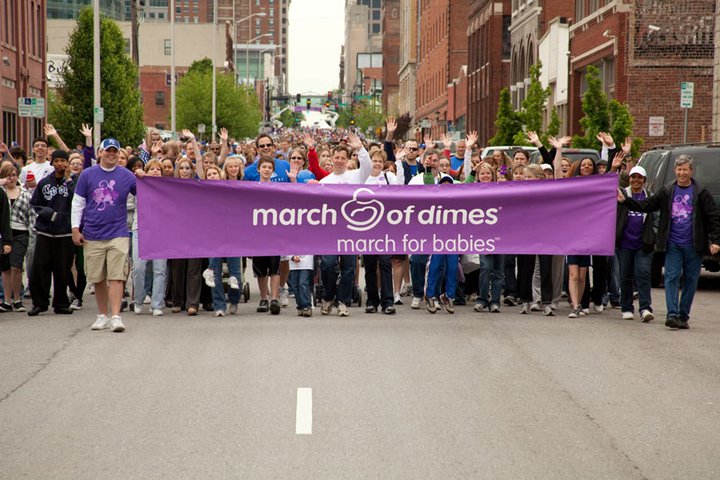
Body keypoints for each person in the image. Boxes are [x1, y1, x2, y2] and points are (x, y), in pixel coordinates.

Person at [618, 154, 720, 329]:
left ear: (691, 171)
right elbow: (647, 205)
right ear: (675, 171)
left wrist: (716, 240)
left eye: (685, 170)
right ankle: (672, 314)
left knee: (690, 280)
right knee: (671, 278)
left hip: (695, 245)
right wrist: (626, 201)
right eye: (679, 170)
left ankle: (683, 315)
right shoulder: (667, 190)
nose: (682, 173)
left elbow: (713, 217)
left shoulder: (701, 192)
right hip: (673, 244)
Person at [72, 138, 137, 333]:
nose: (111, 154)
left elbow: (146, 193)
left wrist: (143, 176)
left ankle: (116, 316)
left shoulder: (127, 176)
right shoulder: (87, 175)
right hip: (93, 232)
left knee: (117, 276)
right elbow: (78, 203)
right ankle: (102, 315)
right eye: (108, 151)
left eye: (115, 151)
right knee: (98, 277)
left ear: (119, 153)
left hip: (118, 232)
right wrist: (75, 228)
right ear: (100, 152)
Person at [28, 150, 75, 316]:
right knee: (40, 268)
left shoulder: (72, 182)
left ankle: (61, 303)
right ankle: (39, 303)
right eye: (57, 161)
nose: (60, 164)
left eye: (63, 161)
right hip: (45, 232)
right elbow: (35, 203)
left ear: (68, 163)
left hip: (65, 233)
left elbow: (76, 201)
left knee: (62, 269)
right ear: (52, 162)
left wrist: (69, 179)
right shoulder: (44, 183)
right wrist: (48, 213)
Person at [615, 164, 655, 322]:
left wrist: (654, 235)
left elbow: (656, 217)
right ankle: (626, 308)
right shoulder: (622, 194)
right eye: (633, 177)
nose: (636, 180)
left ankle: (645, 308)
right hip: (625, 243)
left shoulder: (650, 197)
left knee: (643, 274)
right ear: (629, 179)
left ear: (644, 180)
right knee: (625, 276)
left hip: (643, 243)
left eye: (639, 177)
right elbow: (609, 184)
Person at [131, 160, 167, 317]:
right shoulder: (140, 184)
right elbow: (132, 181)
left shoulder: (168, 187)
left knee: (160, 269)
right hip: (141, 229)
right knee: (138, 268)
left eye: (158, 169)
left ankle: (157, 303)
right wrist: (139, 174)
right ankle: (138, 300)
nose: (155, 171)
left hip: (162, 232)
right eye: (151, 169)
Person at [0, 164, 32, 312]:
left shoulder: (25, 193)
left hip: (21, 232)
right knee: (5, 268)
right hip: (4, 233)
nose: (11, 178)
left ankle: (17, 299)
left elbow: (31, 215)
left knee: (16, 266)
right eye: (8, 175)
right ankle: (7, 300)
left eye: (13, 175)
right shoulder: (1, 192)